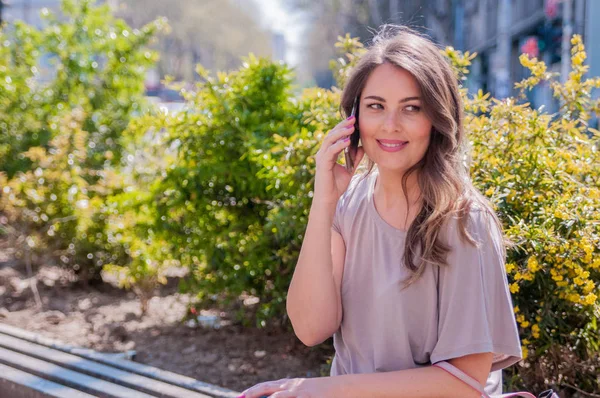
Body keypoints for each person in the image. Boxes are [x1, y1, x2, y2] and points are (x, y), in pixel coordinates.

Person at [239, 25, 522, 398]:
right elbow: (310, 328)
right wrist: (323, 202)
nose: (390, 125)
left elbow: (464, 384)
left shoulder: (464, 222)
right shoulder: (348, 204)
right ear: (354, 119)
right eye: (376, 106)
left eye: (411, 108)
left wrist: (318, 390)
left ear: (436, 118)